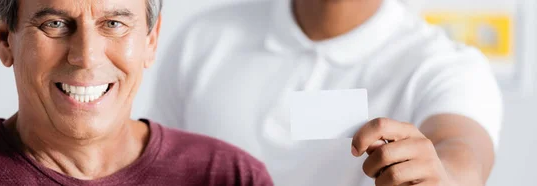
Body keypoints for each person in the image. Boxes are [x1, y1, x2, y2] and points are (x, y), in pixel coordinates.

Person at [148, 0, 502, 185]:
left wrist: (443, 177)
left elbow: (461, 151)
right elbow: (158, 169)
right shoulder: (202, 40)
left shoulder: (447, 67)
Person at [0, 0, 274, 185]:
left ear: (151, 39)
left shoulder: (229, 176)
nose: (86, 57)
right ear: (4, 38)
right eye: (54, 23)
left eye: (113, 24)